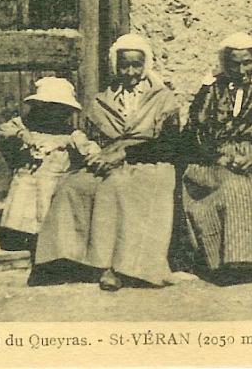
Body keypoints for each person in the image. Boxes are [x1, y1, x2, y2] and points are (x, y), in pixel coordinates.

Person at [30, 34, 181, 291]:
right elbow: (91, 138)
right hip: (109, 159)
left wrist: (125, 155)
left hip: (149, 162)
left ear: (146, 65)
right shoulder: (103, 99)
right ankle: (67, 259)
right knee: (73, 186)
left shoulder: (163, 98)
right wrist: (97, 155)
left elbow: (170, 144)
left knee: (118, 186)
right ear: (115, 65)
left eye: (136, 65)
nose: (130, 72)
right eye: (125, 65)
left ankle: (119, 267)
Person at [181, 32, 252, 282]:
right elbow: (196, 128)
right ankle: (230, 262)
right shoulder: (211, 89)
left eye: (246, 62)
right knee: (231, 188)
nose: (241, 69)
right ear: (225, 63)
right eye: (234, 63)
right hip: (215, 158)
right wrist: (218, 156)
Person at [0, 77, 98, 260]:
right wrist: (22, 135)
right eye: (47, 108)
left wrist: (90, 152)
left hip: (53, 183)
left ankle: (49, 250)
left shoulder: (69, 134)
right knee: (24, 210)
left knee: (50, 212)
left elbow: (89, 149)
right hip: (28, 180)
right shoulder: (25, 127)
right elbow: (5, 131)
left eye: (61, 111)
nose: (53, 115)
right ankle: (24, 243)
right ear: (37, 107)